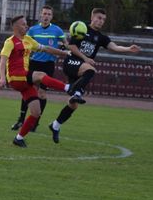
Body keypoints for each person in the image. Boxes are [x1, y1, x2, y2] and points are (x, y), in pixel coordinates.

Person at [48, 8, 141, 143]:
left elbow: (114, 47)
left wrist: (128, 49)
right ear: (92, 17)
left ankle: (55, 125)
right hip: (71, 62)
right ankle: (77, 92)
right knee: (91, 70)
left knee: (73, 104)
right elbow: (71, 47)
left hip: (81, 68)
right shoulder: (82, 28)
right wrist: (85, 58)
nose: (101, 21)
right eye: (99, 18)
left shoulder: (101, 37)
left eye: (103, 19)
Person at [0, 14, 84, 148]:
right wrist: (2, 77)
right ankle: (69, 88)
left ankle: (18, 138)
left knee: (36, 112)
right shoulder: (10, 42)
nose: (26, 26)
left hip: (24, 81)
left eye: (26, 24)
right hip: (15, 77)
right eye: (23, 24)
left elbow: (46, 49)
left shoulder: (28, 40)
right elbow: (3, 61)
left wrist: (65, 53)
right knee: (40, 75)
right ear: (15, 27)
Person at [11, 5, 66, 133]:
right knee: (28, 90)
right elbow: (24, 42)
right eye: (44, 14)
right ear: (40, 15)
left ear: (52, 16)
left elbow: (65, 43)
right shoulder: (33, 30)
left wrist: (64, 48)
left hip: (48, 64)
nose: (46, 16)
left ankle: (35, 122)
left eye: (49, 14)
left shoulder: (57, 30)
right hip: (34, 63)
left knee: (41, 93)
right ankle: (21, 119)